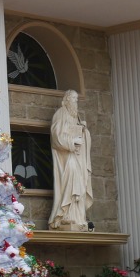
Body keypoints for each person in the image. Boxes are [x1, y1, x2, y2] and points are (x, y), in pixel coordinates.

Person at [49, 90, 93, 231]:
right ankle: (65, 215)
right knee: (71, 181)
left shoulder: (76, 117)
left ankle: (79, 218)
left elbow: (82, 135)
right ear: (67, 99)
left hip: (78, 156)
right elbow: (56, 136)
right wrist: (72, 141)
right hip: (67, 157)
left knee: (81, 183)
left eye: (76, 99)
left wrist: (84, 131)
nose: (76, 101)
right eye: (73, 98)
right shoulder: (60, 113)